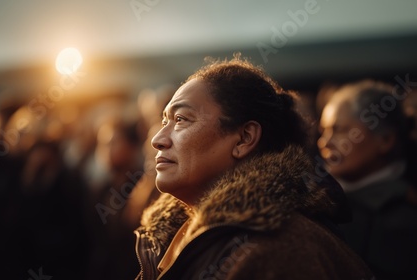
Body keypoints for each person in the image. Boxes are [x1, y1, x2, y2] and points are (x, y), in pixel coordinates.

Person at [134, 56, 373, 280]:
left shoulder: (280, 250)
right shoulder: (176, 237)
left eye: (181, 119)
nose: (157, 139)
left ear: (244, 139)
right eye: (164, 121)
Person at [317, 80, 417, 279]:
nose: (325, 142)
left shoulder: (404, 219)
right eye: (323, 131)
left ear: (385, 140)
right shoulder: (323, 203)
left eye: (340, 130)